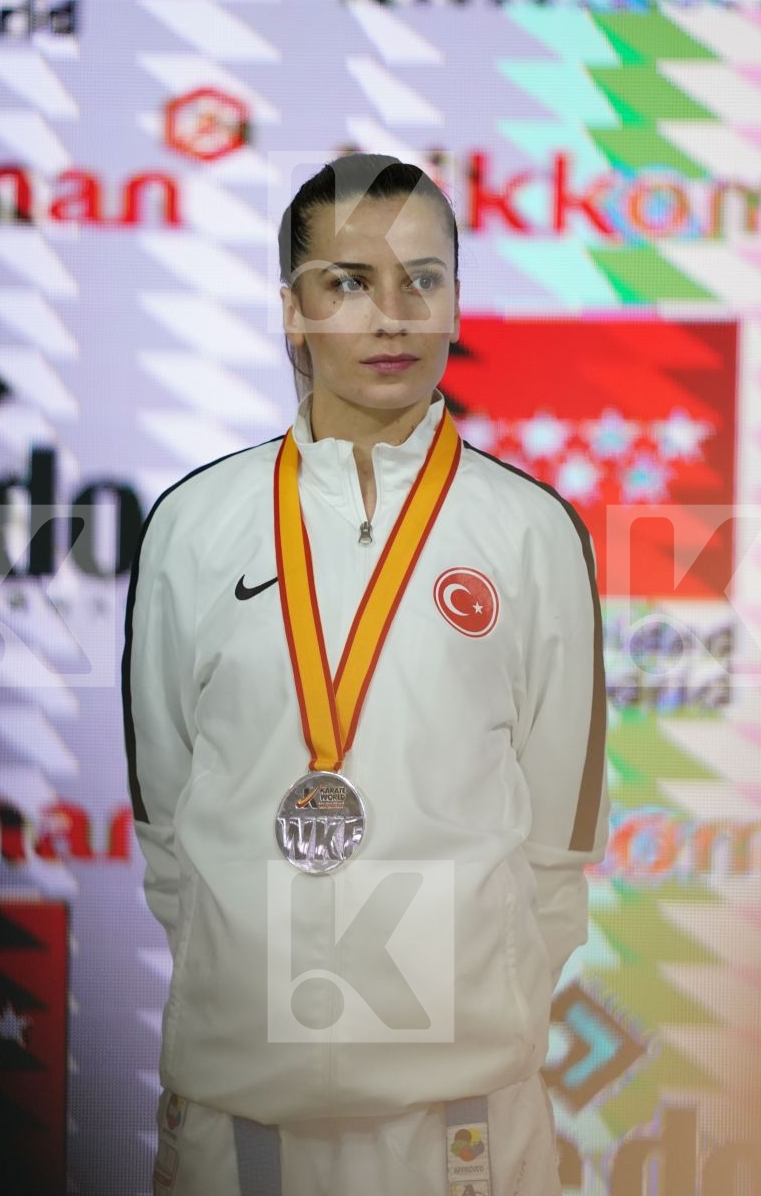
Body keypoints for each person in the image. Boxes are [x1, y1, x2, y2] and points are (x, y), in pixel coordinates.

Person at [121, 152, 610, 1196]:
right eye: (347, 283)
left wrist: (475, 1016)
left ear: (454, 303)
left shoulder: (529, 533)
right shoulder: (192, 527)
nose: (389, 315)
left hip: (461, 1123)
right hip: (239, 1112)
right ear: (290, 310)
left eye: (419, 280)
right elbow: (169, 830)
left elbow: (556, 847)